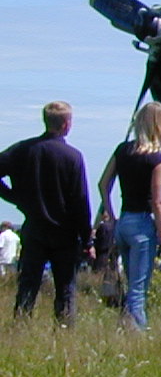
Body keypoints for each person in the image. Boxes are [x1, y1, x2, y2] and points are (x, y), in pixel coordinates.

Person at [0, 101, 93, 324]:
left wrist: (16, 198)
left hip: (34, 227)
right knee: (65, 289)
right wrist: (87, 239)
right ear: (66, 124)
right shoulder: (72, 156)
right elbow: (81, 201)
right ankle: (64, 330)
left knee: (28, 286)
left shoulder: (23, 150)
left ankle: (20, 327)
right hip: (65, 232)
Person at [96, 101, 161, 331]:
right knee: (138, 287)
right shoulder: (157, 160)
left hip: (124, 220)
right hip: (142, 223)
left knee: (131, 282)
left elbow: (103, 184)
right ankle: (137, 331)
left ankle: (127, 325)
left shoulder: (122, 150)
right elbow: (158, 202)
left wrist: (111, 215)